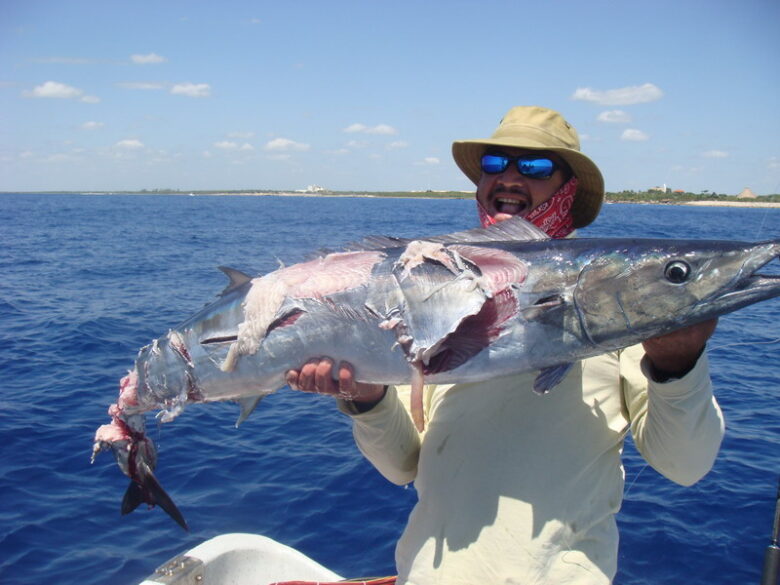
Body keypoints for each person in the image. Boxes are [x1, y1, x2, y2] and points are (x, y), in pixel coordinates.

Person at [285, 106, 724, 584]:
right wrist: (365, 397)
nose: (510, 177)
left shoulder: (618, 298)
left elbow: (686, 465)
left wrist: (678, 365)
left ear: (568, 188)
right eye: (495, 164)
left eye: (534, 167)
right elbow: (401, 466)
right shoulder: (437, 294)